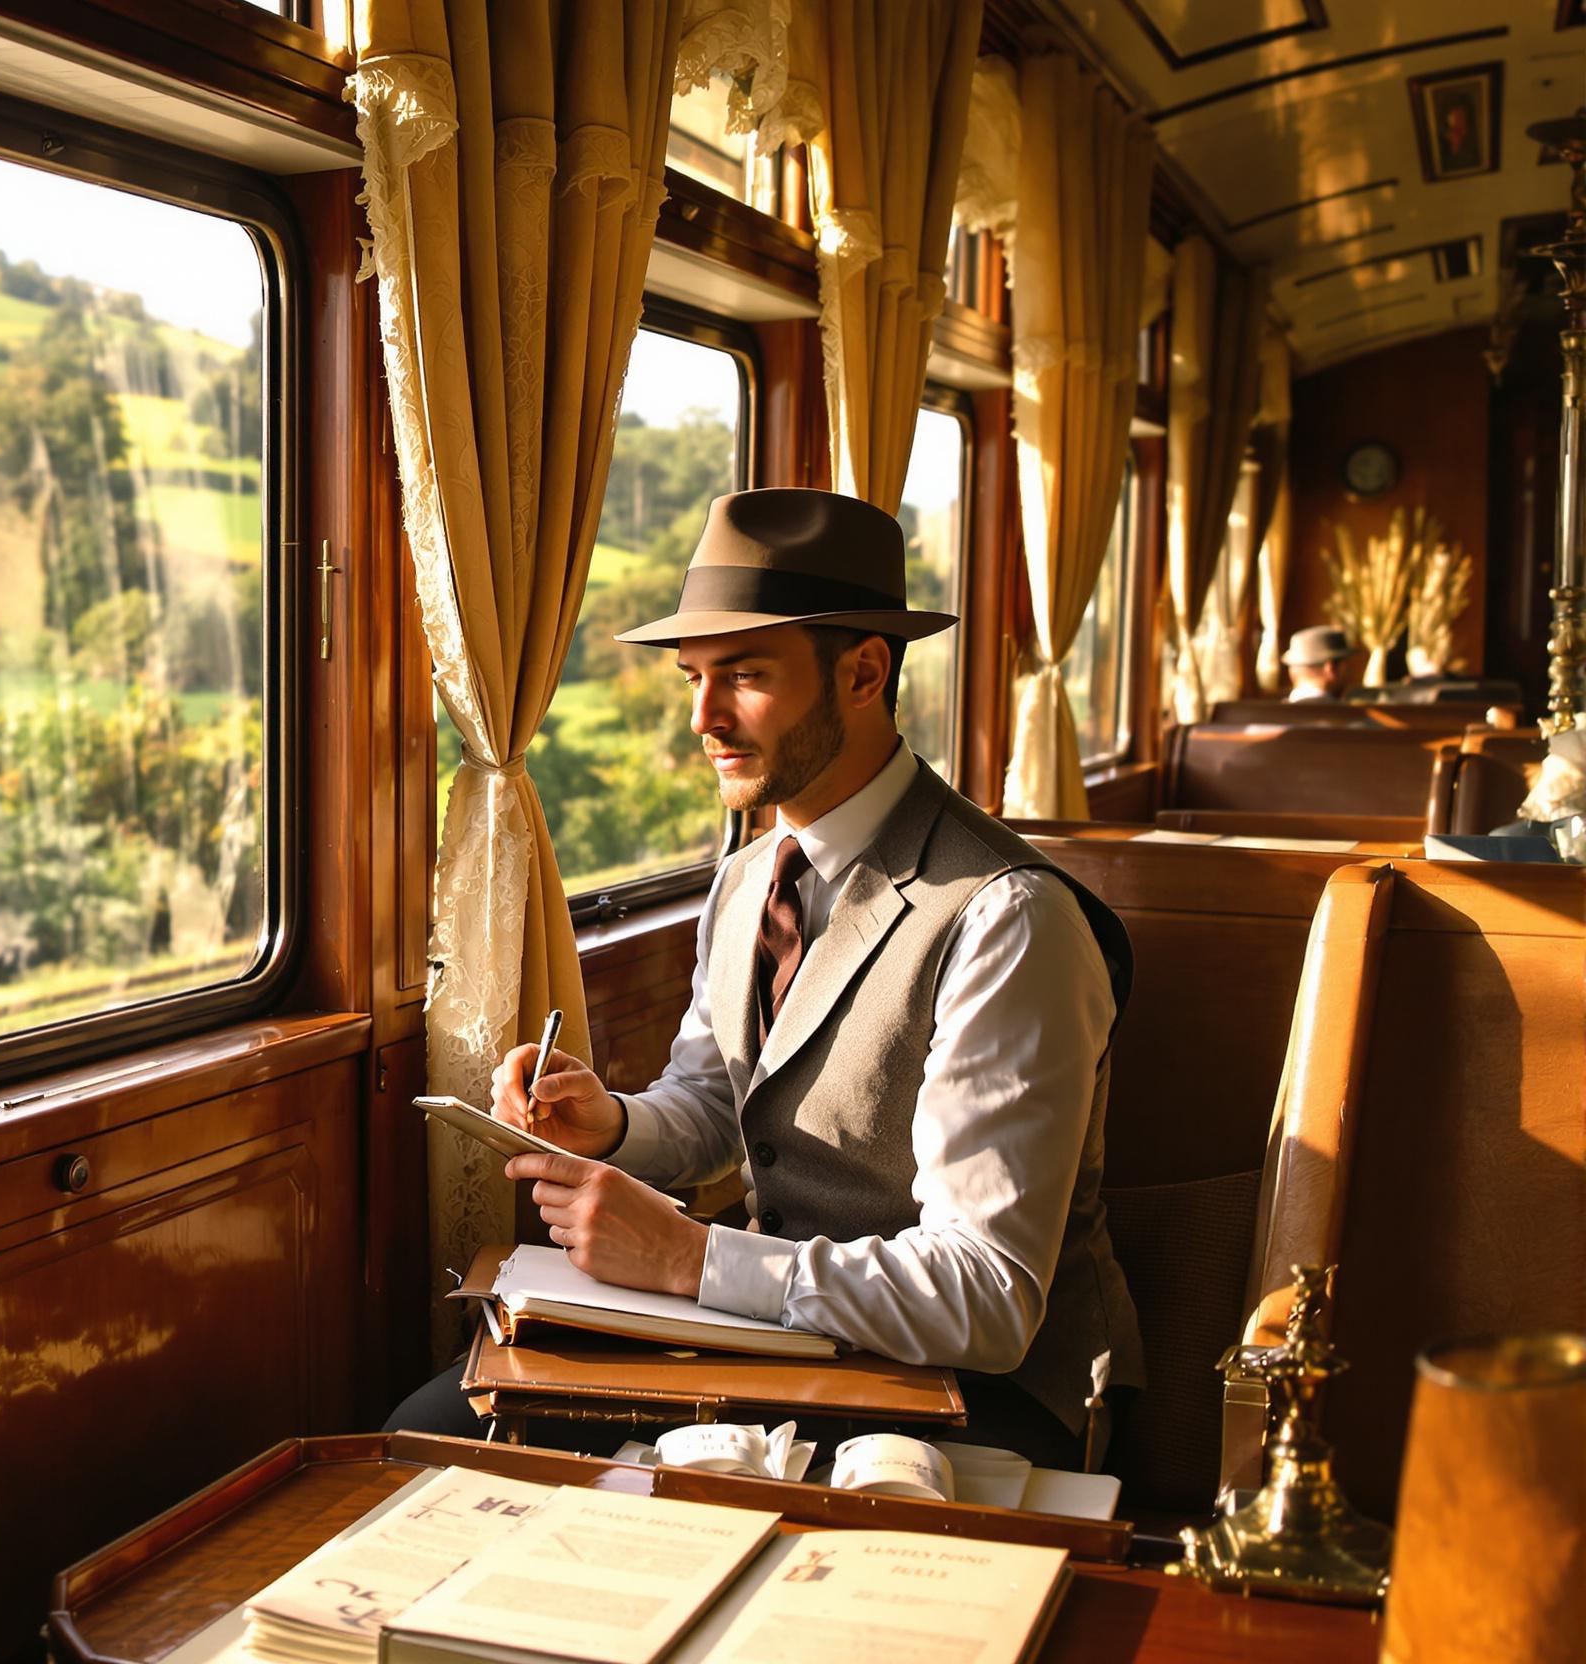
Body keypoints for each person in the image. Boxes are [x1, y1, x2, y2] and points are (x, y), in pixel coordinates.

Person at [384, 488, 1143, 1468]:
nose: (703, 715)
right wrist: (608, 1122)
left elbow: (987, 1294)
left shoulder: (1009, 917)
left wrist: (693, 1257)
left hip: (978, 1390)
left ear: (864, 672)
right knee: (425, 1437)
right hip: (778, 1343)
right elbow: (713, 1103)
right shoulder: (749, 877)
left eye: (742, 675)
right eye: (695, 676)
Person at [1282, 625, 1354, 701]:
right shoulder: (1350, 712)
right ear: (1330, 669)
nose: (1350, 673)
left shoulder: (1275, 712)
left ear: (1291, 672)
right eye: (1348, 666)